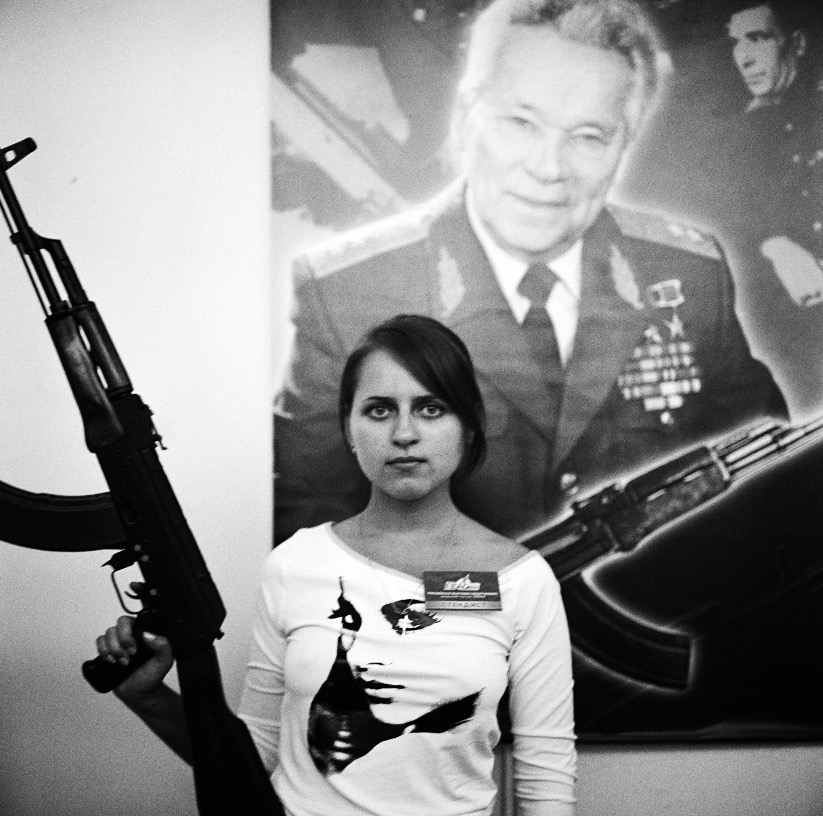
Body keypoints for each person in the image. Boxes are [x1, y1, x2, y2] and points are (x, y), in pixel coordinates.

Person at [274, 0, 787, 545]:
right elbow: (310, 531)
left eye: (589, 136)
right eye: (521, 123)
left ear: (625, 146)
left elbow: (766, 478)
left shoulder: (688, 276)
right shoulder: (348, 295)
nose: (548, 168)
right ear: (465, 119)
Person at [96, 314, 578, 815]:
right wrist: (149, 696)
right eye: (379, 410)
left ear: (468, 427)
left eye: (431, 408)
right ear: (349, 427)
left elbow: (546, 781)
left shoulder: (521, 580)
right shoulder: (295, 564)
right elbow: (251, 760)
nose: (404, 433)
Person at [722, 0, 823, 417]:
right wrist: (778, 247)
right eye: (736, 43)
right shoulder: (741, 136)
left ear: (795, 44)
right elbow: (734, 224)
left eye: (758, 38)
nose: (744, 58)